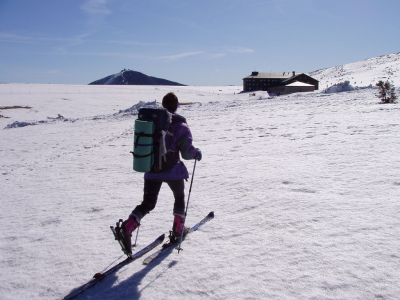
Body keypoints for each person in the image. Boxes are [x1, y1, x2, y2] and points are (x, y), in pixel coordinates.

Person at [120, 92, 202, 255]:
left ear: (163, 105)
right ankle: (178, 231)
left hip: (151, 170)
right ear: (176, 105)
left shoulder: (152, 124)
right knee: (179, 198)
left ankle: (127, 227)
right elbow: (186, 153)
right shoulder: (180, 125)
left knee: (148, 203)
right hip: (173, 171)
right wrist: (197, 153)